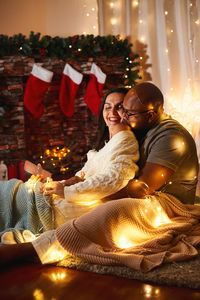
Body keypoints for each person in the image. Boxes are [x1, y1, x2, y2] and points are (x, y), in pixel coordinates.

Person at [1, 82, 200, 273]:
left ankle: (32, 248)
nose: (120, 115)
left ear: (150, 115)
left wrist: (94, 196)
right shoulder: (140, 128)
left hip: (166, 204)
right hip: (143, 193)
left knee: (114, 212)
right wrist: (77, 185)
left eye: (126, 112)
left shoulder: (171, 138)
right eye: (116, 108)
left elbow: (142, 188)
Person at [0, 87, 139, 243]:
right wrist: (71, 180)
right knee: (10, 192)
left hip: (68, 203)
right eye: (108, 106)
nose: (112, 112)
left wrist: (66, 190)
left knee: (8, 198)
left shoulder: (126, 141)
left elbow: (112, 180)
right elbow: (85, 173)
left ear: (129, 112)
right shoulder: (110, 143)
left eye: (119, 106)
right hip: (63, 194)